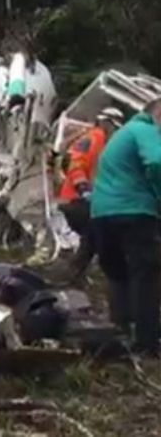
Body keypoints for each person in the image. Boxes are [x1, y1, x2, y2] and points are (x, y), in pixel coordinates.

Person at [91, 99, 161, 356]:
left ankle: (119, 334)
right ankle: (148, 344)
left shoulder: (121, 136)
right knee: (146, 276)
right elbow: (157, 162)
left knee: (118, 274)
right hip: (134, 211)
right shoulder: (144, 129)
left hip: (102, 212)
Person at [57, 107, 124, 278]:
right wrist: (83, 188)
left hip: (87, 201)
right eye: (115, 127)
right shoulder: (94, 138)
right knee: (97, 231)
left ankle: (73, 273)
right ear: (106, 123)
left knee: (93, 236)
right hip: (75, 199)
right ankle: (73, 272)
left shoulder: (104, 144)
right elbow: (76, 164)